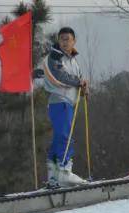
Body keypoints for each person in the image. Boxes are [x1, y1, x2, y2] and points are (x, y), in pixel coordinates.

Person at [42, 27, 89, 187]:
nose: (64, 42)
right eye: (62, 39)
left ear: (74, 41)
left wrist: (83, 88)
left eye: (67, 39)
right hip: (59, 100)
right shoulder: (55, 56)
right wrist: (78, 82)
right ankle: (64, 170)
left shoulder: (73, 60)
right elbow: (59, 76)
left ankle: (53, 175)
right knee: (64, 136)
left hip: (69, 102)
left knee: (59, 137)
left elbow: (79, 79)